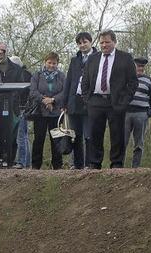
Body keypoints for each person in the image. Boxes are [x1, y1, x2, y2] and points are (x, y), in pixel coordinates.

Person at [81, 30, 138, 169]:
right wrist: (87, 98)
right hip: (95, 101)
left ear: (114, 42)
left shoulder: (125, 58)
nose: (104, 45)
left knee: (117, 134)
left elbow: (132, 82)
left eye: (107, 42)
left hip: (116, 102)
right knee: (95, 133)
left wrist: (124, 101)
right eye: (101, 42)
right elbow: (85, 81)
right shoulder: (93, 59)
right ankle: (95, 163)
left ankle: (116, 163)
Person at [62, 32, 97, 169]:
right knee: (74, 135)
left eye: (85, 42)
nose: (82, 45)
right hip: (74, 101)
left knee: (89, 135)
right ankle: (77, 164)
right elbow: (69, 81)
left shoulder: (97, 58)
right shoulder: (74, 60)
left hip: (90, 101)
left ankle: (89, 164)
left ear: (90, 42)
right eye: (80, 43)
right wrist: (64, 102)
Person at [30, 52, 66, 170]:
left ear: (57, 64)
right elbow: (33, 92)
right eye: (49, 62)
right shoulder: (37, 75)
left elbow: (64, 92)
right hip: (40, 112)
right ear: (45, 62)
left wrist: (53, 100)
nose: (51, 65)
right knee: (38, 139)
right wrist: (44, 100)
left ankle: (57, 166)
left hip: (56, 113)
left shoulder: (61, 76)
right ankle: (35, 165)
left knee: (56, 139)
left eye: (54, 63)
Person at [123, 57, 151, 168]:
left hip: (142, 113)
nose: (140, 68)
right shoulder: (126, 78)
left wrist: (150, 112)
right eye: (138, 66)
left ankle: (135, 167)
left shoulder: (148, 80)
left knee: (139, 143)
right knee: (123, 141)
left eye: (142, 66)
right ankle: (119, 166)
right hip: (126, 113)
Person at [10, 56, 32, 169]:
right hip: (24, 108)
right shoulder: (28, 74)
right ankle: (27, 162)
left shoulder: (22, 75)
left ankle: (21, 162)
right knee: (24, 135)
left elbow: (20, 92)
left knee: (20, 136)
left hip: (21, 108)